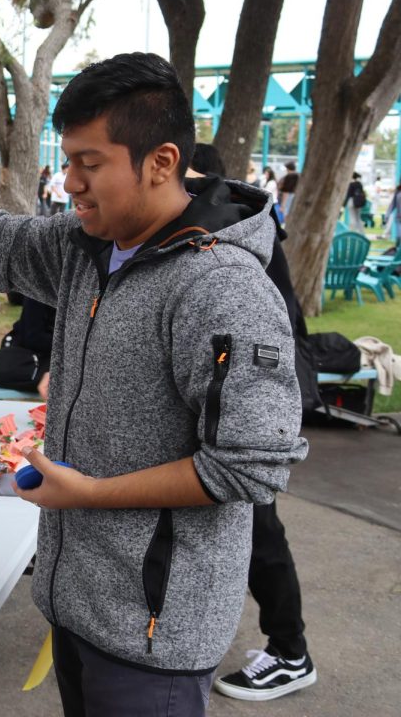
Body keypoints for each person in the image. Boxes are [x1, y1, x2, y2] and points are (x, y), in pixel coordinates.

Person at [0, 52, 308, 717]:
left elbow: (250, 468)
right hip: (78, 607)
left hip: (153, 637)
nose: (69, 183)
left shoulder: (222, 289)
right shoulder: (86, 246)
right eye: (67, 161)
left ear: (160, 162)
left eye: (89, 164)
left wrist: (91, 494)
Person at [186, 147, 318, 702]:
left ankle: (290, 652)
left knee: (258, 527)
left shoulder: (236, 225)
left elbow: (262, 332)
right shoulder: (225, 217)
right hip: (229, 397)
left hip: (255, 403)